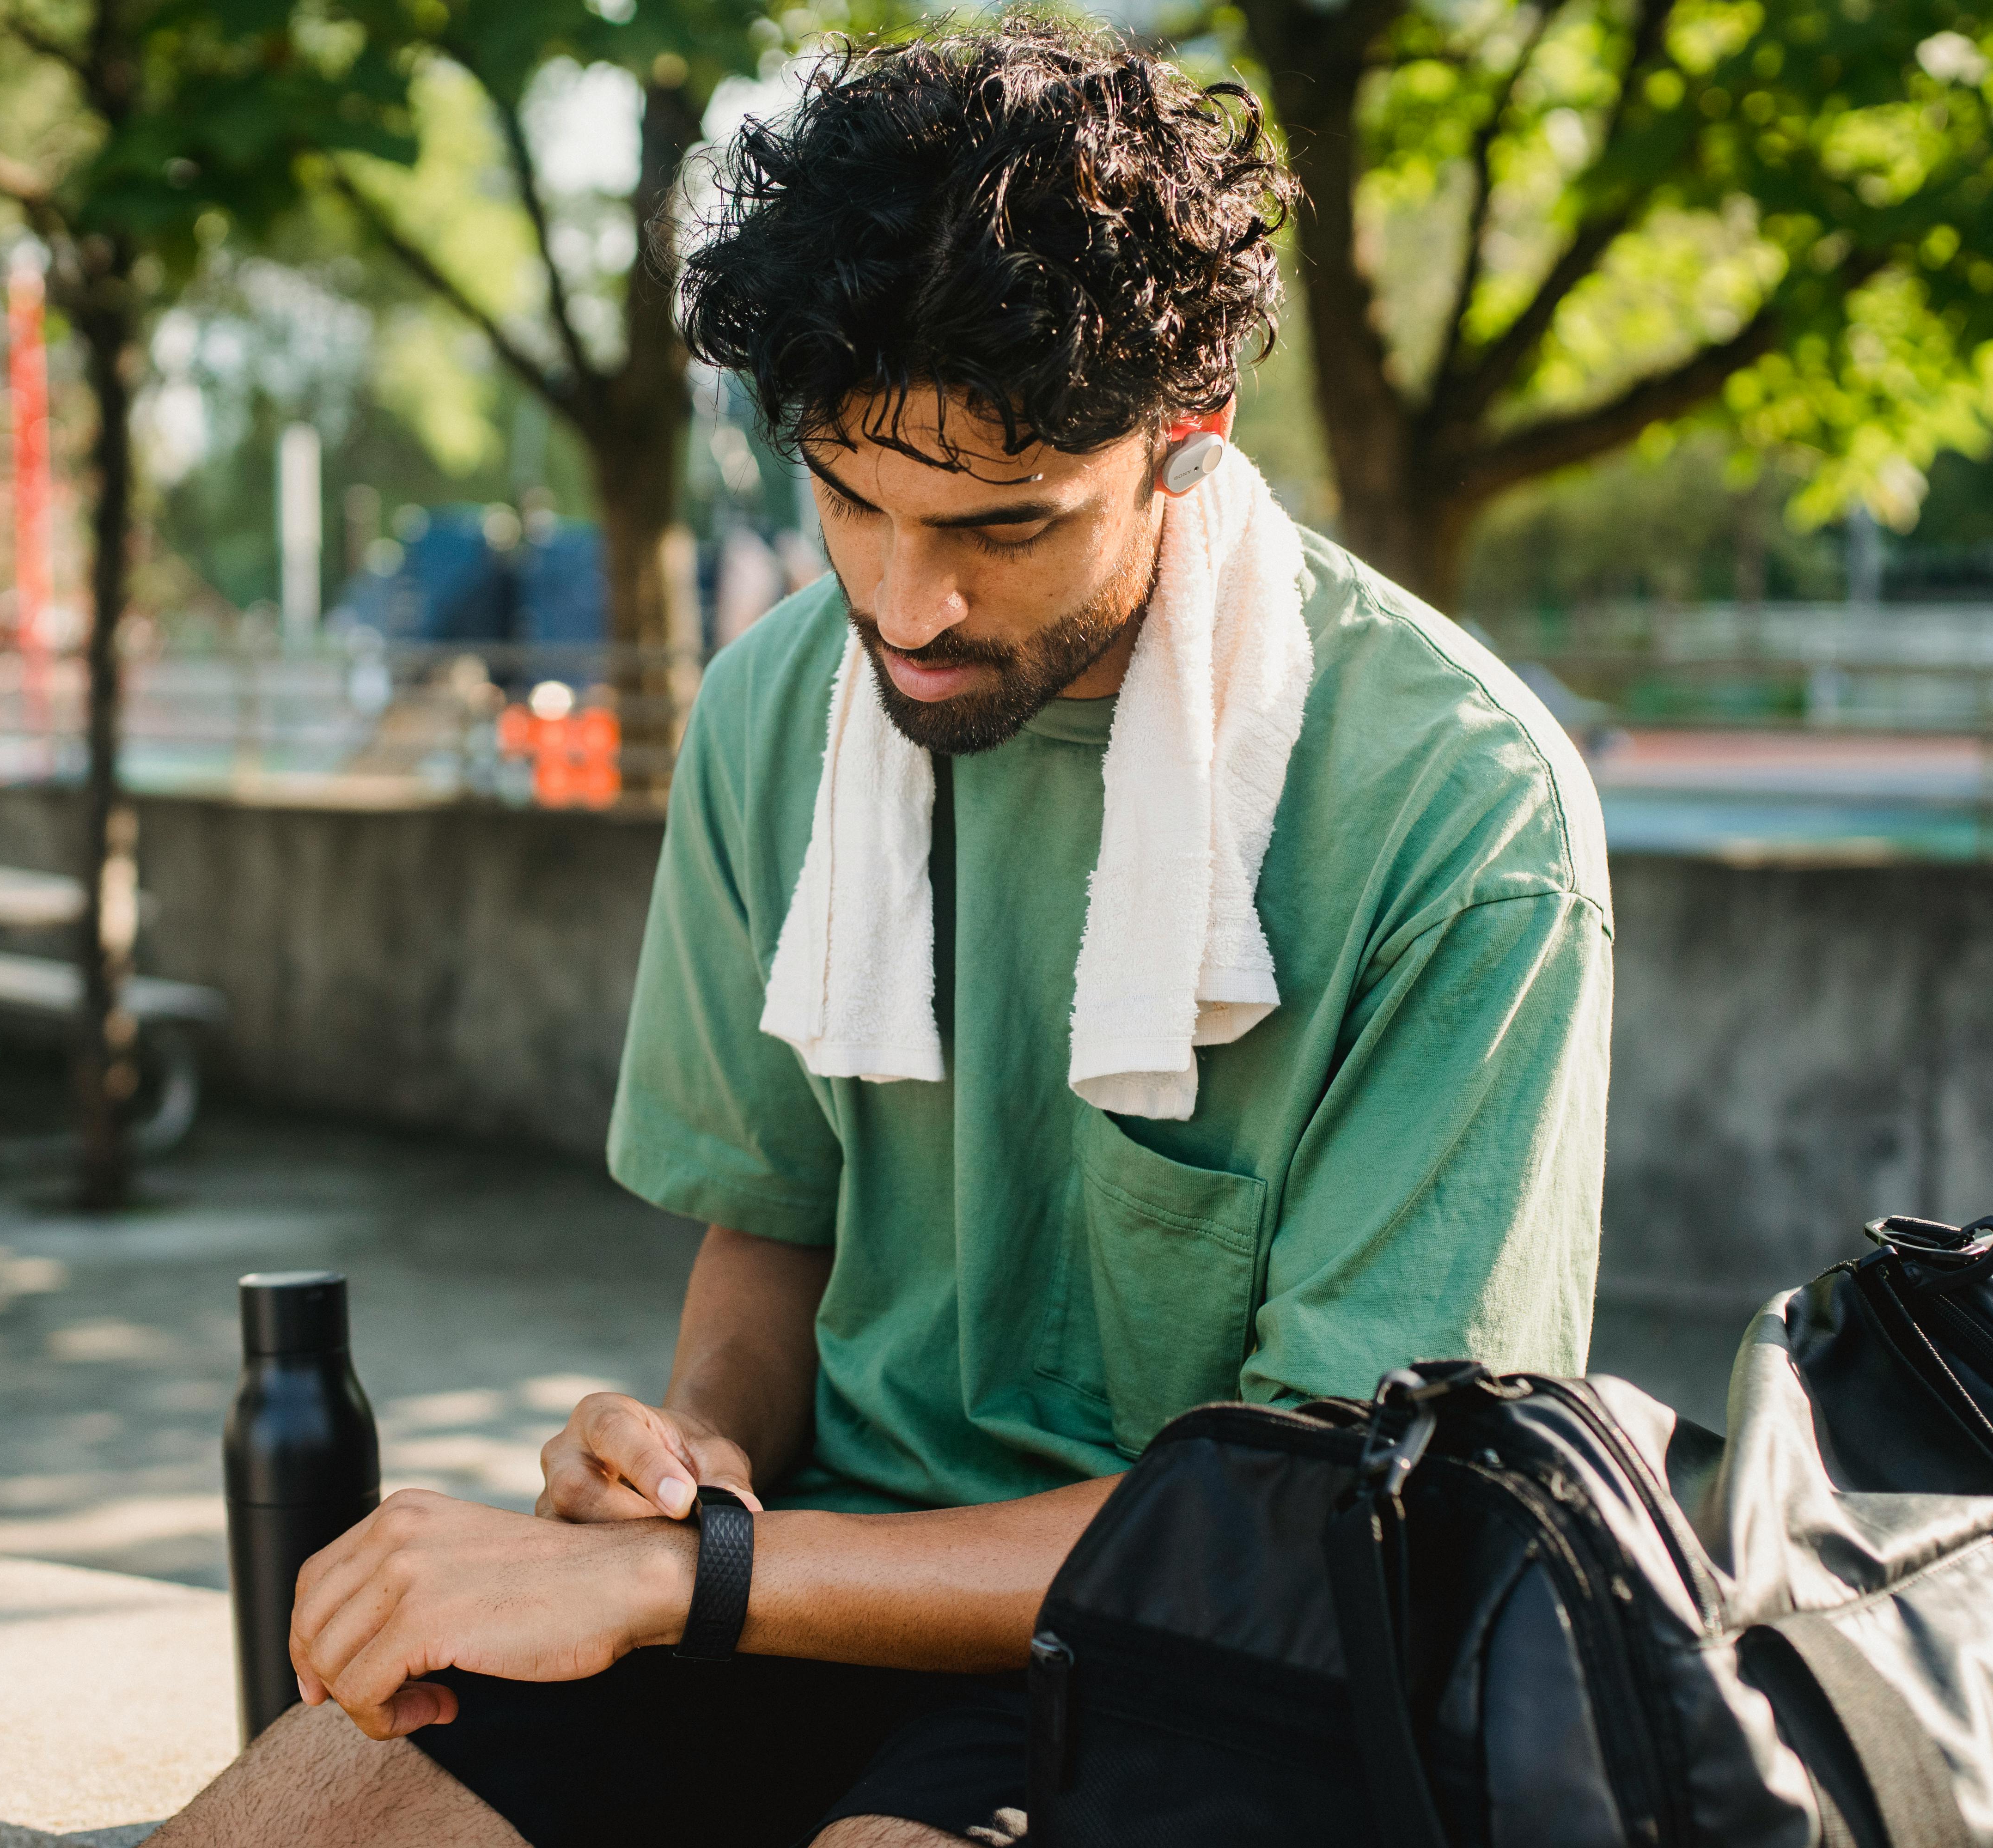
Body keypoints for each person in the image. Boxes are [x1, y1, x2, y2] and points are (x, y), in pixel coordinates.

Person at [149, 16, 1609, 1847]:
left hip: (1234, 1674)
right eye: (848, 496)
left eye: (1003, 525)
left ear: (1187, 441)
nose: (905, 603)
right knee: (290, 1818)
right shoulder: (784, 708)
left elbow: (1324, 1537)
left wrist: (713, 1584)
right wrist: (691, 1468)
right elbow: (771, 1239)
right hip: (802, 1590)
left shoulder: (1455, 818)